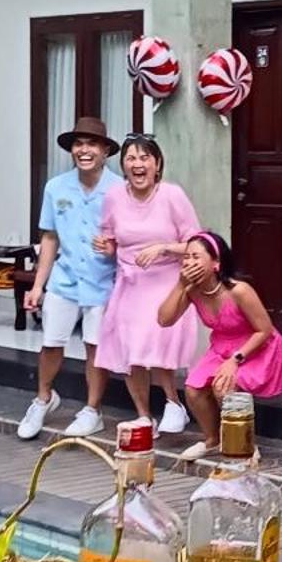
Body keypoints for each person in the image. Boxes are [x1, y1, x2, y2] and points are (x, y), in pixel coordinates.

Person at [17, 115, 122, 440]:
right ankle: (44, 398)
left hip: (102, 281)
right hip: (64, 279)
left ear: (105, 151)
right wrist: (38, 285)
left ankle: (93, 410)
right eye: (79, 144)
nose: (84, 150)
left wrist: (113, 248)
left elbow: (130, 239)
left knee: (95, 347)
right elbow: (50, 238)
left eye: (92, 144)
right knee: (51, 343)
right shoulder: (56, 187)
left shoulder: (119, 190)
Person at [93, 133, 201, 435]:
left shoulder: (172, 195)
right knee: (132, 351)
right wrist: (107, 248)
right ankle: (143, 415)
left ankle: (173, 402)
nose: (137, 164)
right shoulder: (114, 196)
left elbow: (197, 242)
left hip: (166, 281)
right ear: (123, 165)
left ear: (157, 165)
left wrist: (163, 247)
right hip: (130, 283)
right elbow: (112, 239)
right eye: (131, 158)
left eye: (144, 158)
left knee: (152, 342)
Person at [156, 230, 282, 451]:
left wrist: (235, 360)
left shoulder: (239, 290)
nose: (189, 262)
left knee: (223, 387)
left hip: (256, 347)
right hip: (221, 347)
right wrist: (180, 285)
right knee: (193, 389)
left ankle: (242, 446)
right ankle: (212, 439)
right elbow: (164, 319)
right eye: (186, 257)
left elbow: (264, 330)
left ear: (216, 263)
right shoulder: (192, 291)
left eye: (196, 257)